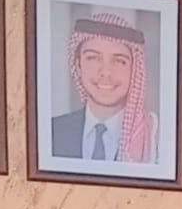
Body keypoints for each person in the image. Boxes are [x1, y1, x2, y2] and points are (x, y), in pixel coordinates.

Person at [52, 12, 158, 163]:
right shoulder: (51, 132)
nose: (106, 72)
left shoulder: (154, 140)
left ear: (134, 70)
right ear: (78, 65)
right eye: (93, 58)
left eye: (119, 61)